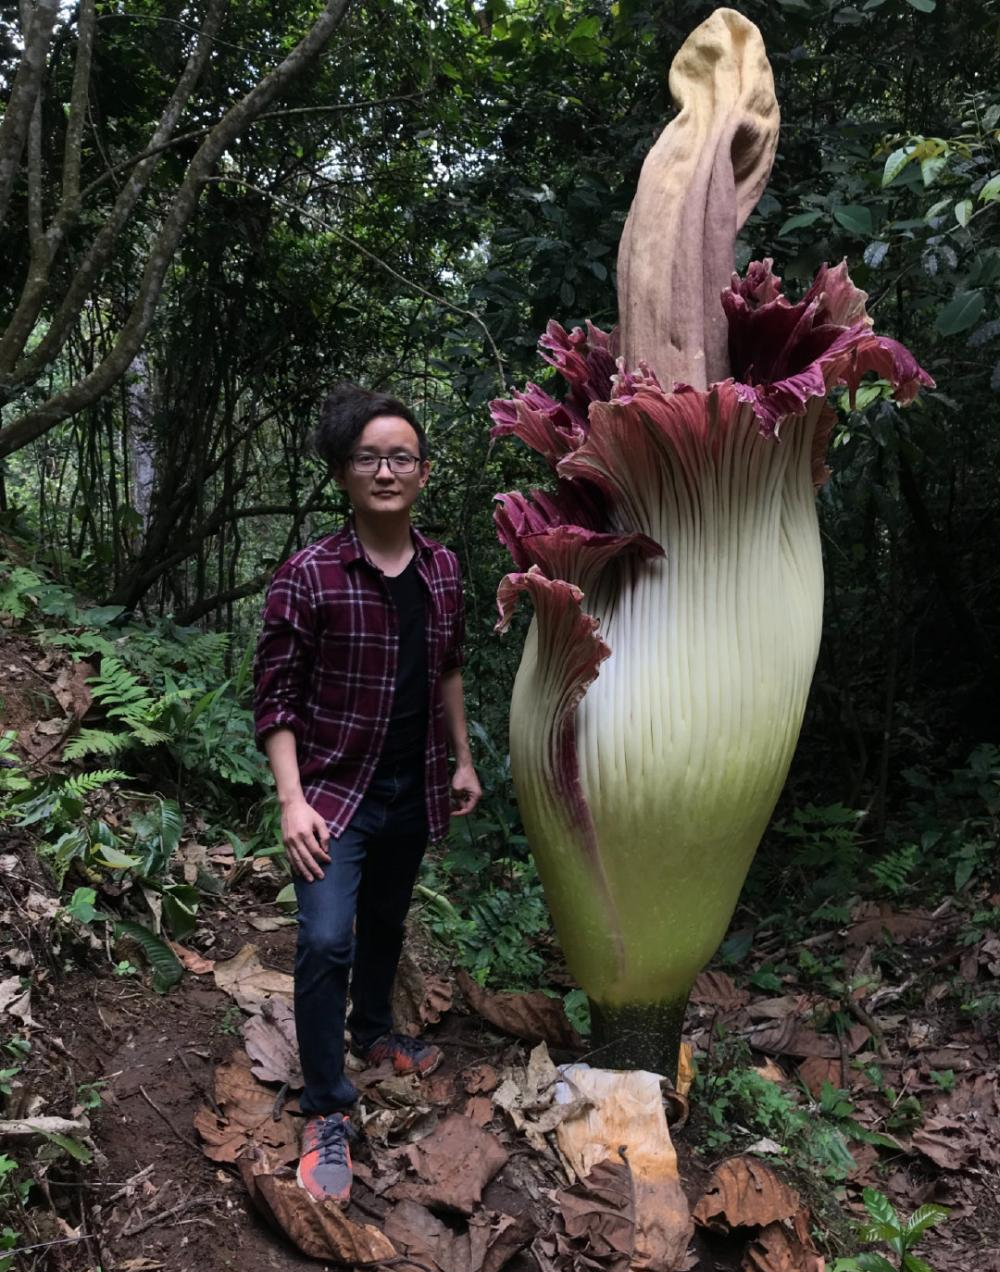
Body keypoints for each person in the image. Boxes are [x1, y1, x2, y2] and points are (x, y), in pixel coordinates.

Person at [252, 383, 481, 1205]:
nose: (386, 470)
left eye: (401, 457)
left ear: (422, 473)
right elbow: (274, 700)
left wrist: (461, 759)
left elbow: (448, 665)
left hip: (412, 784)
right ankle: (324, 1108)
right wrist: (291, 799)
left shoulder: (445, 569)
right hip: (333, 796)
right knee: (323, 941)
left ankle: (375, 1031)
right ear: (346, 475)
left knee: (386, 919)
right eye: (369, 458)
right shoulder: (309, 574)